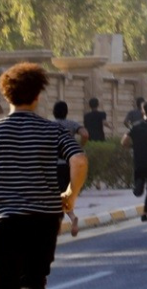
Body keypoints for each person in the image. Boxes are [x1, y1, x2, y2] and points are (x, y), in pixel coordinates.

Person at [0, 63, 86, 288]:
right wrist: (70, 195)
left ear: (6, 96)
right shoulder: (55, 131)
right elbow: (79, 160)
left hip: (2, 224)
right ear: (37, 96)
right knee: (35, 281)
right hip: (43, 222)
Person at [51, 101, 88, 236]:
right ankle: (68, 219)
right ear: (66, 112)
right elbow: (85, 134)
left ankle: (69, 219)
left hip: (54, 165)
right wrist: (79, 147)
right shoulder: (72, 124)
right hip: (70, 164)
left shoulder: (49, 125)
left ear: (54, 112)